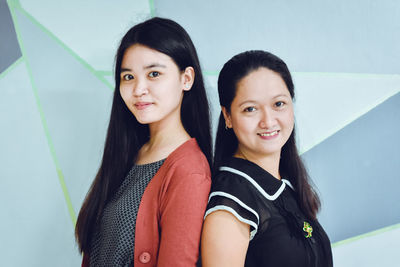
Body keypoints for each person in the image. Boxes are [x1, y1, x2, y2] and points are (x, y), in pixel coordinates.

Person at [75, 17, 212, 267]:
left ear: (186, 78)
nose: (139, 89)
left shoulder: (188, 171)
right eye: (128, 77)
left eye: (154, 74)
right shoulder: (130, 153)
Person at [201, 50, 333, 267]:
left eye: (279, 104)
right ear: (228, 116)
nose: (268, 121)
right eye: (250, 109)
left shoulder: (286, 182)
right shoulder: (229, 206)